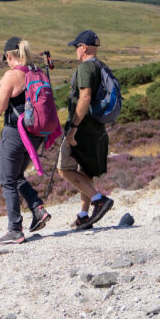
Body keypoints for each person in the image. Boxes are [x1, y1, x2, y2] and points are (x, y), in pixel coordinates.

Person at [0, 37, 52, 244]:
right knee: (17, 175)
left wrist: (0, 88)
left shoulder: (12, 75)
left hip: (15, 133)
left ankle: (15, 230)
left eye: (6, 58)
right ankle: (37, 209)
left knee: (8, 180)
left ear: (10, 56)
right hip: (35, 135)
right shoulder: (37, 72)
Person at [58, 30, 114, 229]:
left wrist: (73, 127)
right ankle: (84, 214)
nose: (75, 50)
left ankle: (99, 200)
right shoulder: (101, 66)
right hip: (98, 127)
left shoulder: (85, 68)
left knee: (64, 169)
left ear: (84, 47)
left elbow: (85, 97)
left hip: (82, 128)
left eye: (76, 46)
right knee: (86, 171)